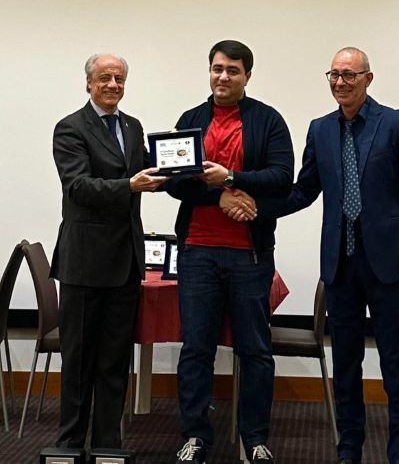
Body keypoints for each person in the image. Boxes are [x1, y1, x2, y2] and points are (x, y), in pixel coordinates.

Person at [238, 47, 399, 463]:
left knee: (396, 363)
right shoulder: (320, 130)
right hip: (340, 265)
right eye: (333, 75)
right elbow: (303, 191)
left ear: (368, 79)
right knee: (346, 364)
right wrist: (257, 205)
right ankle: (348, 450)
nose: (340, 83)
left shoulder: (396, 124)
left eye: (349, 75)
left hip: (389, 264)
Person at [164, 40, 294, 463]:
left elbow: (282, 177)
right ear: (209, 72)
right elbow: (174, 182)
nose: (223, 76)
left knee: (255, 350)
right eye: (217, 68)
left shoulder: (268, 120)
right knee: (196, 349)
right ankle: (195, 436)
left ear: (247, 76)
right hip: (197, 252)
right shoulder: (191, 120)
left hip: (249, 256)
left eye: (233, 70)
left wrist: (232, 177)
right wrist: (219, 195)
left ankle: (254, 438)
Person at [50, 53, 167, 449]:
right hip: (84, 264)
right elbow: (78, 187)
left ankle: (106, 445)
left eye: (119, 78)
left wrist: (184, 165)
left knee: (115, 362)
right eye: (105, 78)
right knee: (79, 361)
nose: (113, 85)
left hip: (126, 262)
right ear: (89, 83)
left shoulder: (132, 127)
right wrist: (129, 186)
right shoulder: (70, 128)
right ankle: (69, 445)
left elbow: (150, 172)